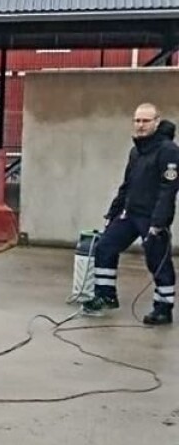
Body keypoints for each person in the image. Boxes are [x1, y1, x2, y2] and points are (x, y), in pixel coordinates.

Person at [82, 102, 179, 325]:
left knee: (157, 260)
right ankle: (105, 295)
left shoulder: (169, 151)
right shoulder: (136, 151)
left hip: (153, 218)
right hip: (130, 215)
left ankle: (163, 308)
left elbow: (169, 188)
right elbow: (127, 184)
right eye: (137, 120)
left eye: (145, 121)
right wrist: (114, 211)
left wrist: (159, 222)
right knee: (105, 246)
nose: (140, 125)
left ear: (157, 121)